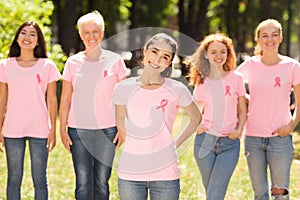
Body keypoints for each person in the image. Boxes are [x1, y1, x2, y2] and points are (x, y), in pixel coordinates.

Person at [112, 33, 201, 200]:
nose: (158, 59)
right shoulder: (123, 88)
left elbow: (196, 118)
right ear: (145, 51)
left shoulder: (177, 88)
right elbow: (120, 122)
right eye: (154, 52)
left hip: (165, 173)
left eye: (165, 56)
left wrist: (174, 145)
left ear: (169, 62)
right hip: (131, 172)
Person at [59, 10, 127, 200]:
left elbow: (122, 99)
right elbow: (65, 98)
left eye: (95, 31)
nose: (91, 36)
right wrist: (62, 129)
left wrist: (122, 127)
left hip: (107, 130)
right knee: (83, 182)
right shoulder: (73, 62)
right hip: (78, 131)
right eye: (86, 32)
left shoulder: (115, 61)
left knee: (101, 182)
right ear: (80, 35)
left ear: (102, 33)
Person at [237, 19, 300, 200]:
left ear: (280, 38)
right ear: (257, 39)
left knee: (280, 193)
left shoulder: (292, 66)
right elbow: (231, 86)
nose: (269, 39)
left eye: (274, 35)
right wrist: (249, 99)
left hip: (280, 137)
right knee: (260, 193)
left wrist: (292, 125)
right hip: (253, 138)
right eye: (264, 35)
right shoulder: (250, 65)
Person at [0, 21, 61, 200]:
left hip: (40, 129)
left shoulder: (47, 66)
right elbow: (2, 99)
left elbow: (52, 100)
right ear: (17, 38)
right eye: (23, 33)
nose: (27, 37)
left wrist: (53, 131)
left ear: (38, 41)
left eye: (32, 34)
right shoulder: (5, 65)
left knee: (40, 179)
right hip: (12, 129)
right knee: (14, 178)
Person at [186, 33, 247, 200]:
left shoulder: (236, 79)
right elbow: (195, 110)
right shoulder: (202, 81)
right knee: (213, 192)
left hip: (229, 142)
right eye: (214, 52)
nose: (218, 56)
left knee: (214, 194)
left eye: (222, 52)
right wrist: (197, 127)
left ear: (228, 54)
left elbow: (242, 110)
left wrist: (239, 130)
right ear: (206, 54)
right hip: (204, 142)